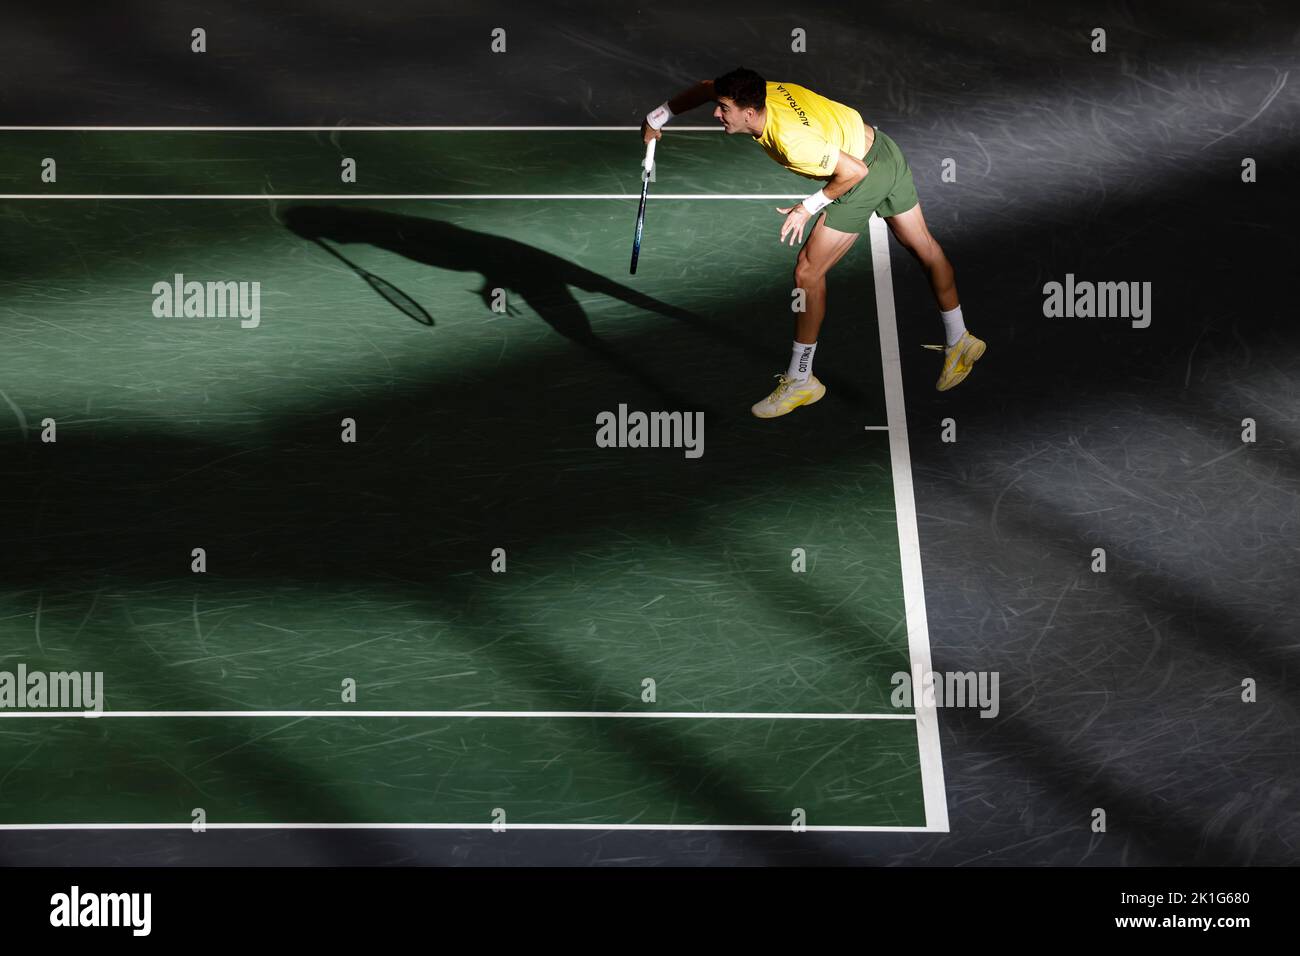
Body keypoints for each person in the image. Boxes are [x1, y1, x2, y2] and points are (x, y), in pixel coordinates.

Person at [641, 67, 985, 418]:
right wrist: (658, 117)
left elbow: (853, 173)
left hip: (860, 173)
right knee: (923, 246)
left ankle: (801, 378)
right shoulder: (759, 92)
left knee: (808, 272)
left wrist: (807, 207)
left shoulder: (791, 142)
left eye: (724, 109)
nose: (717, 113)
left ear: (748, 113)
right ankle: (960, 339)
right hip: (883, 148)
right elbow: (705, 88)